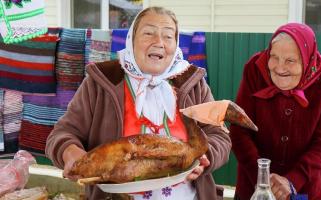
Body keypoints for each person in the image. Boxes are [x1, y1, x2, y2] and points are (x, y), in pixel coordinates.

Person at [46, 6, 231, 200]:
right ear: (131, 40)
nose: (159, 42)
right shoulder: (101, 82)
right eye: (148, 33)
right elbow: (62, 134)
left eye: (168, 36)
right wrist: (70, 153)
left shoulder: (192, 83)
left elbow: (219, 135)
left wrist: (205, 158)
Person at [230, 23, 321, 200]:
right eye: (274, 57)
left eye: (290, 60)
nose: (279, 67)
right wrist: (263, 180)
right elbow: (239, 129)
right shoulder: (255, 68)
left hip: (306, 187)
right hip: (254, 186)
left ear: (307, 60)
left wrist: (292, 182)